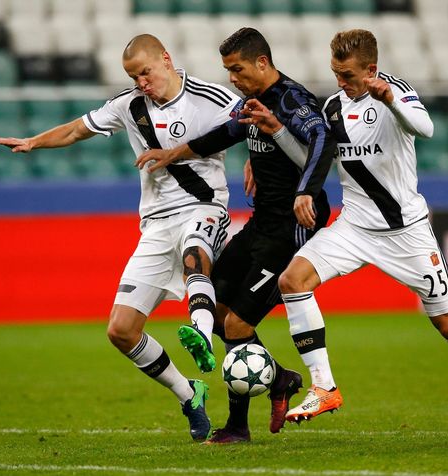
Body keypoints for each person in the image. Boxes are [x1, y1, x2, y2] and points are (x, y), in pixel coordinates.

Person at [243, 29, 448, 441]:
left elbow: (426, 129)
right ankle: (324, 387)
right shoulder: (332, 106)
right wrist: (278, 131)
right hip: (354, 227)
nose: (340, 82)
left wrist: (388, 98)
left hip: (406, 234)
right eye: (335, 73)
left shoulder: (397, 93)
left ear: (371, 70)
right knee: (292, 281)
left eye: (348, 74)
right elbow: (316, 160)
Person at [0, 34, 242, 442]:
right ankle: (187, 392)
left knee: (197, 252)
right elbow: (75, 131)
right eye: (133, 76)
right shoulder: (129, 106)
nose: (142, 82)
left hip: (204, 208)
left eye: (145, 72)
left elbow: (255, 124)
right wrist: (34, 141)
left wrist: (260, 170)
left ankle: (200, 330)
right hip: (156, 224)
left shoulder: (210, 96)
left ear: (165, 59)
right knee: (121, 330)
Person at [135, 27, 337, 444]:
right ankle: (279, 379)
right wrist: (171, 154)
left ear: (262, 63)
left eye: (237, 69)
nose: (232, 78)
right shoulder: (250, 104)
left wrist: (306, 188)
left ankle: (238, 427)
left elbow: (322, 142)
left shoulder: (293, 101)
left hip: (292, 229)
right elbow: (221, 137)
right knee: (217, 308)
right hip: (263, 223)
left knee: (239, 323)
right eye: (228, 70)